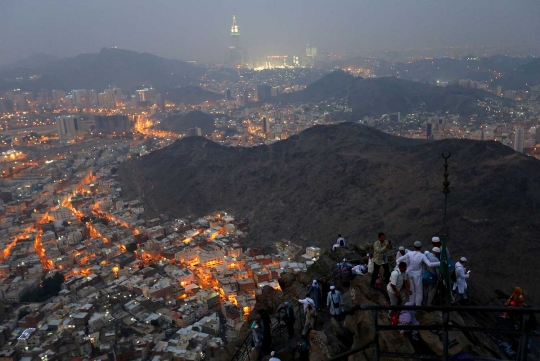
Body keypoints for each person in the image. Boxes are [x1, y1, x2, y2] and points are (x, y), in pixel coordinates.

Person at [397, 241, 440, 306]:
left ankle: (411, 303)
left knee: (412, 288)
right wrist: (440, 263)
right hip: (417, 274)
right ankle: (418, 305)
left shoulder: (410, 253)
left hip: (410, 273)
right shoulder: (422, 255)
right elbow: (430, 264)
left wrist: (399, 266)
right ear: (420, 247)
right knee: (419, 291)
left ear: (414, 247)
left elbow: (398, 260)